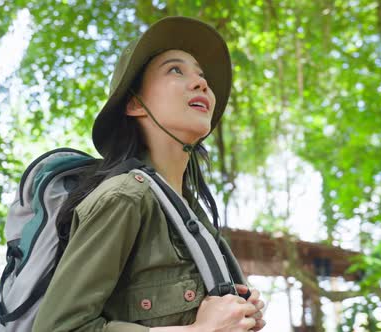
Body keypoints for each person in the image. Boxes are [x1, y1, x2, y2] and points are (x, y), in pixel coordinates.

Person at [33, 16, 266, 332]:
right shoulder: (125, 197)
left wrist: (236, 311)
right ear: (133, 104)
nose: (201, 83)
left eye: (201, 75)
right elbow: (58, 328)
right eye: (175, 70)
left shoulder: (193, 216)